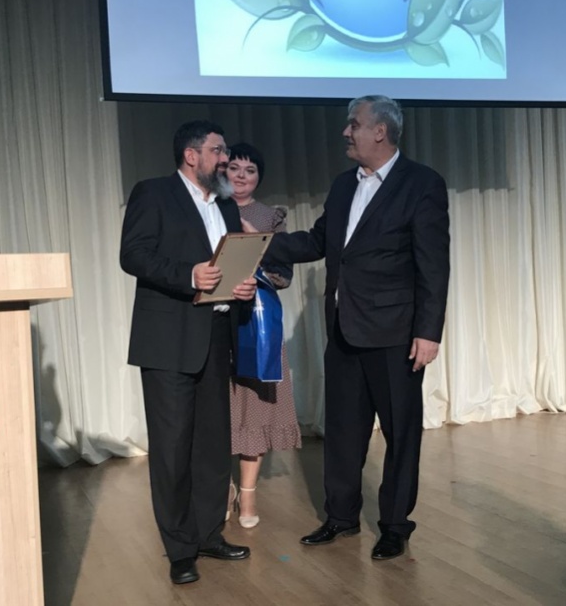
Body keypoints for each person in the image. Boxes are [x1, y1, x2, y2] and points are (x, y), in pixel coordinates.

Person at [262, 95, 450, 561]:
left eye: (354, 124)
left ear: (380, 131)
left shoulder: (421, 183)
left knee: (401, 433)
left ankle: (395, 525)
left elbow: (433, 265)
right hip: (345, 329)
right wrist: (257, 245)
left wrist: (429, 332)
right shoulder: (345, 184)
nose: (346, 132)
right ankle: (341, 517)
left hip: (396, 334)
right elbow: (318, 241)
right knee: (343, 431)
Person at [120, 120, 257, 585]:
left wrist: (241, 286)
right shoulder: (154, 193)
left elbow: (231, 266)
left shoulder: (226, 205)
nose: (226, 159)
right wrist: (187, 275)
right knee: (173, 449)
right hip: (169, 339)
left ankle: (209, 534)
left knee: (213, 446)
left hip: (217, 335)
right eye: (218, 151)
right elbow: (133, 254)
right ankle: (180, 549)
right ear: (191, 155)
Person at [224, 143, 301, 528]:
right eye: (234, 167)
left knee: (253, 405)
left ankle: (249, 493)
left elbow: (282, 275)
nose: (241, 175)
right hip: (214, 319)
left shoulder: (269, 216)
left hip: (255, 322)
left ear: (259, 177)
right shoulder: (209, 209)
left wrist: (256, 247)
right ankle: (222, 488)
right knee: (217, 406)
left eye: (250, 170)